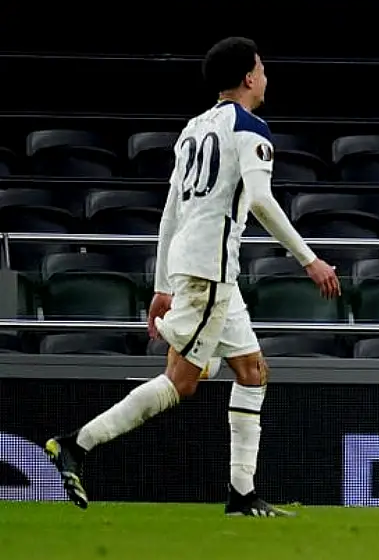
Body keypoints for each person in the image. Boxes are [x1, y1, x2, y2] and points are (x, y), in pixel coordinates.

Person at [44, 37, 340, 517]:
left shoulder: (193, 129)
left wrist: (162, 284)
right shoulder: (250, 128)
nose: (265, 77)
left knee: (252, 371)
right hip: (210, 268)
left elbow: (170, 213)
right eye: (261, 68)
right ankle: (76, 444)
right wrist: (309, 259)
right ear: (248, 77)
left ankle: (242, 493)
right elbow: (262, 201)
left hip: (201, 265)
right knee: (181, 382)